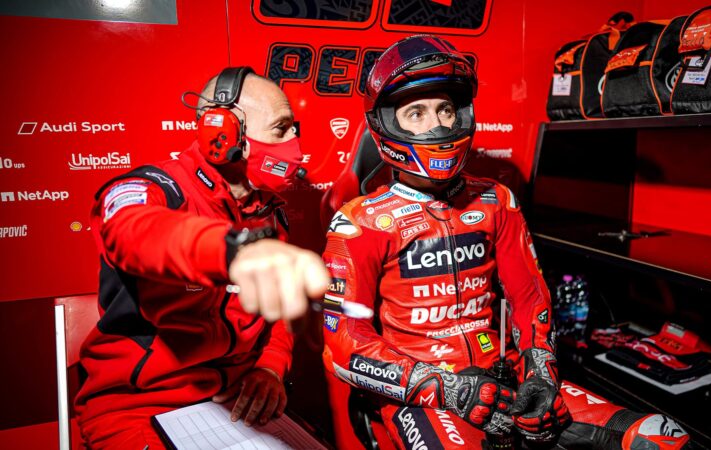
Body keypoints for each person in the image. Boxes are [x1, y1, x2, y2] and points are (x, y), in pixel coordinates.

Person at [321, 35, 571, 449]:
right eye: (416, 112)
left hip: (500, 380)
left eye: (446, 110)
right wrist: (442, 387)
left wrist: (540, 373)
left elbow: (530, 300)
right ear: (384, 123)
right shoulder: (358, 221)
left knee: (652, 436)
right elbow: (343, 343)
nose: (438, 125)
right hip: (414, 393)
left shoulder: (496, 200)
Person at [75, 67, 330, 449]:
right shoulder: (154, 188)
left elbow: (277, 316)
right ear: (222, 132)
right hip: (137, 408)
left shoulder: (268, 211)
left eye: (295, 129)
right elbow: (132, 231)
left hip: (232, 403)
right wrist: (232, 251)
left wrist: (270, 367)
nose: (295, 141)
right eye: (281, 129)